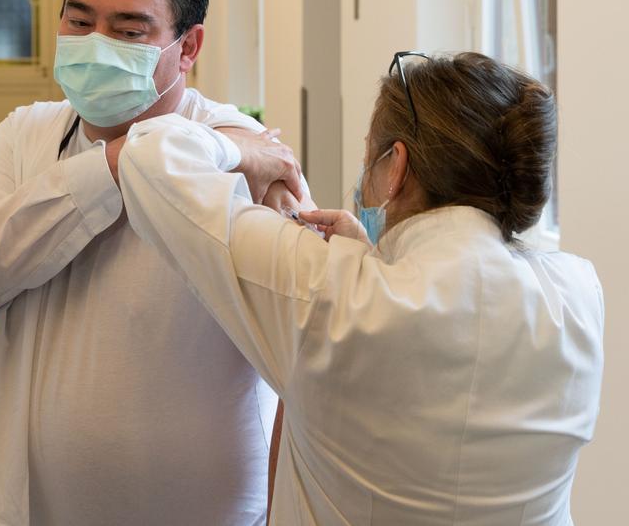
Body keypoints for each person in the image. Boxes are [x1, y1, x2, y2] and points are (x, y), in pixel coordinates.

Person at [0, 0, 309, 525]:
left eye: (128, 30)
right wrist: (120, 164)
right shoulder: (25, 135)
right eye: (79, 20)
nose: (95, 43)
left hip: (203, 509)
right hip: (26, 505)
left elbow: (304, 350)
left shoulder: (246, 156)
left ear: (189, 47)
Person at [119, 51, 605, 525]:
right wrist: (369, 258)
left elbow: (146, 157)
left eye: (369, 156)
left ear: (396, 167)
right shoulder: (579, 294)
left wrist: (246, 147)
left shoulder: (328, 293)